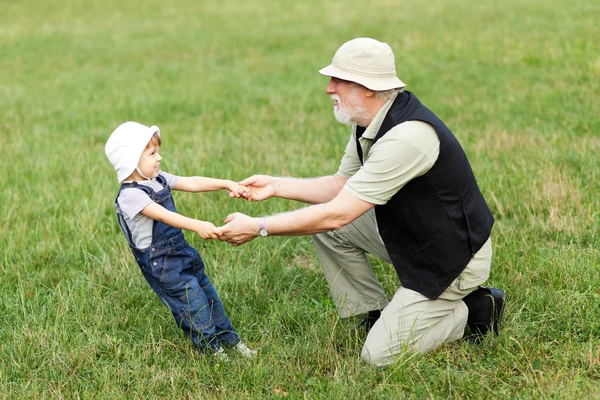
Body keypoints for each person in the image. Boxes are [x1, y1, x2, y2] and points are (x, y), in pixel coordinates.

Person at [218, 38, 505, 366]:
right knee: (326, 227)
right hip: (414, 237)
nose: (329, 88)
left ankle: (475, 310)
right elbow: (341, 186)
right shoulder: (371, 121)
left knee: (377, 357)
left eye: (338, 80)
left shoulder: (407, 138)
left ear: (367, 88)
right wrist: (276, 185)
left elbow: (337, 214)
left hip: (452, 261)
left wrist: (259, 227)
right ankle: (376, 315)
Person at [105, 121, 256, 360]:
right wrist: (198, 225)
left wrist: (225, 183)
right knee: (193, 304)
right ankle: (211, 350)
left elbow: (192, 182)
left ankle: (230, 340)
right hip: (161, 263)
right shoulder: (130, 196)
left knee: (208, 295)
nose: (159, 158)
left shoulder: (157, 179)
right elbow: (164, 215)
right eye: (152, 153)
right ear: (131, 160)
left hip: (181, 252)